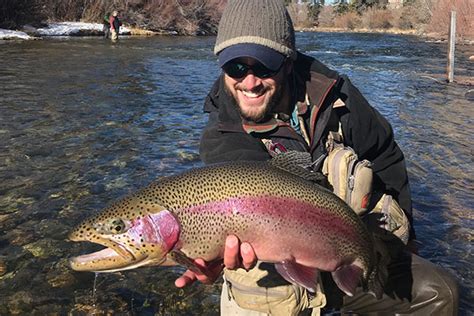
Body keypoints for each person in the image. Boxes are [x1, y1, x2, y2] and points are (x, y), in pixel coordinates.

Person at [175, 0, 459, 315]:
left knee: (439, 293)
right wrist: (208, 257)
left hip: (344, 250)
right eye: (236, 68)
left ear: (287, 60)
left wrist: (406, 243)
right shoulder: (221, 135)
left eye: (264, 66)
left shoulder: (336, 98)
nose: (250, 81)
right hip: (274, 285)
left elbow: (385, 155)